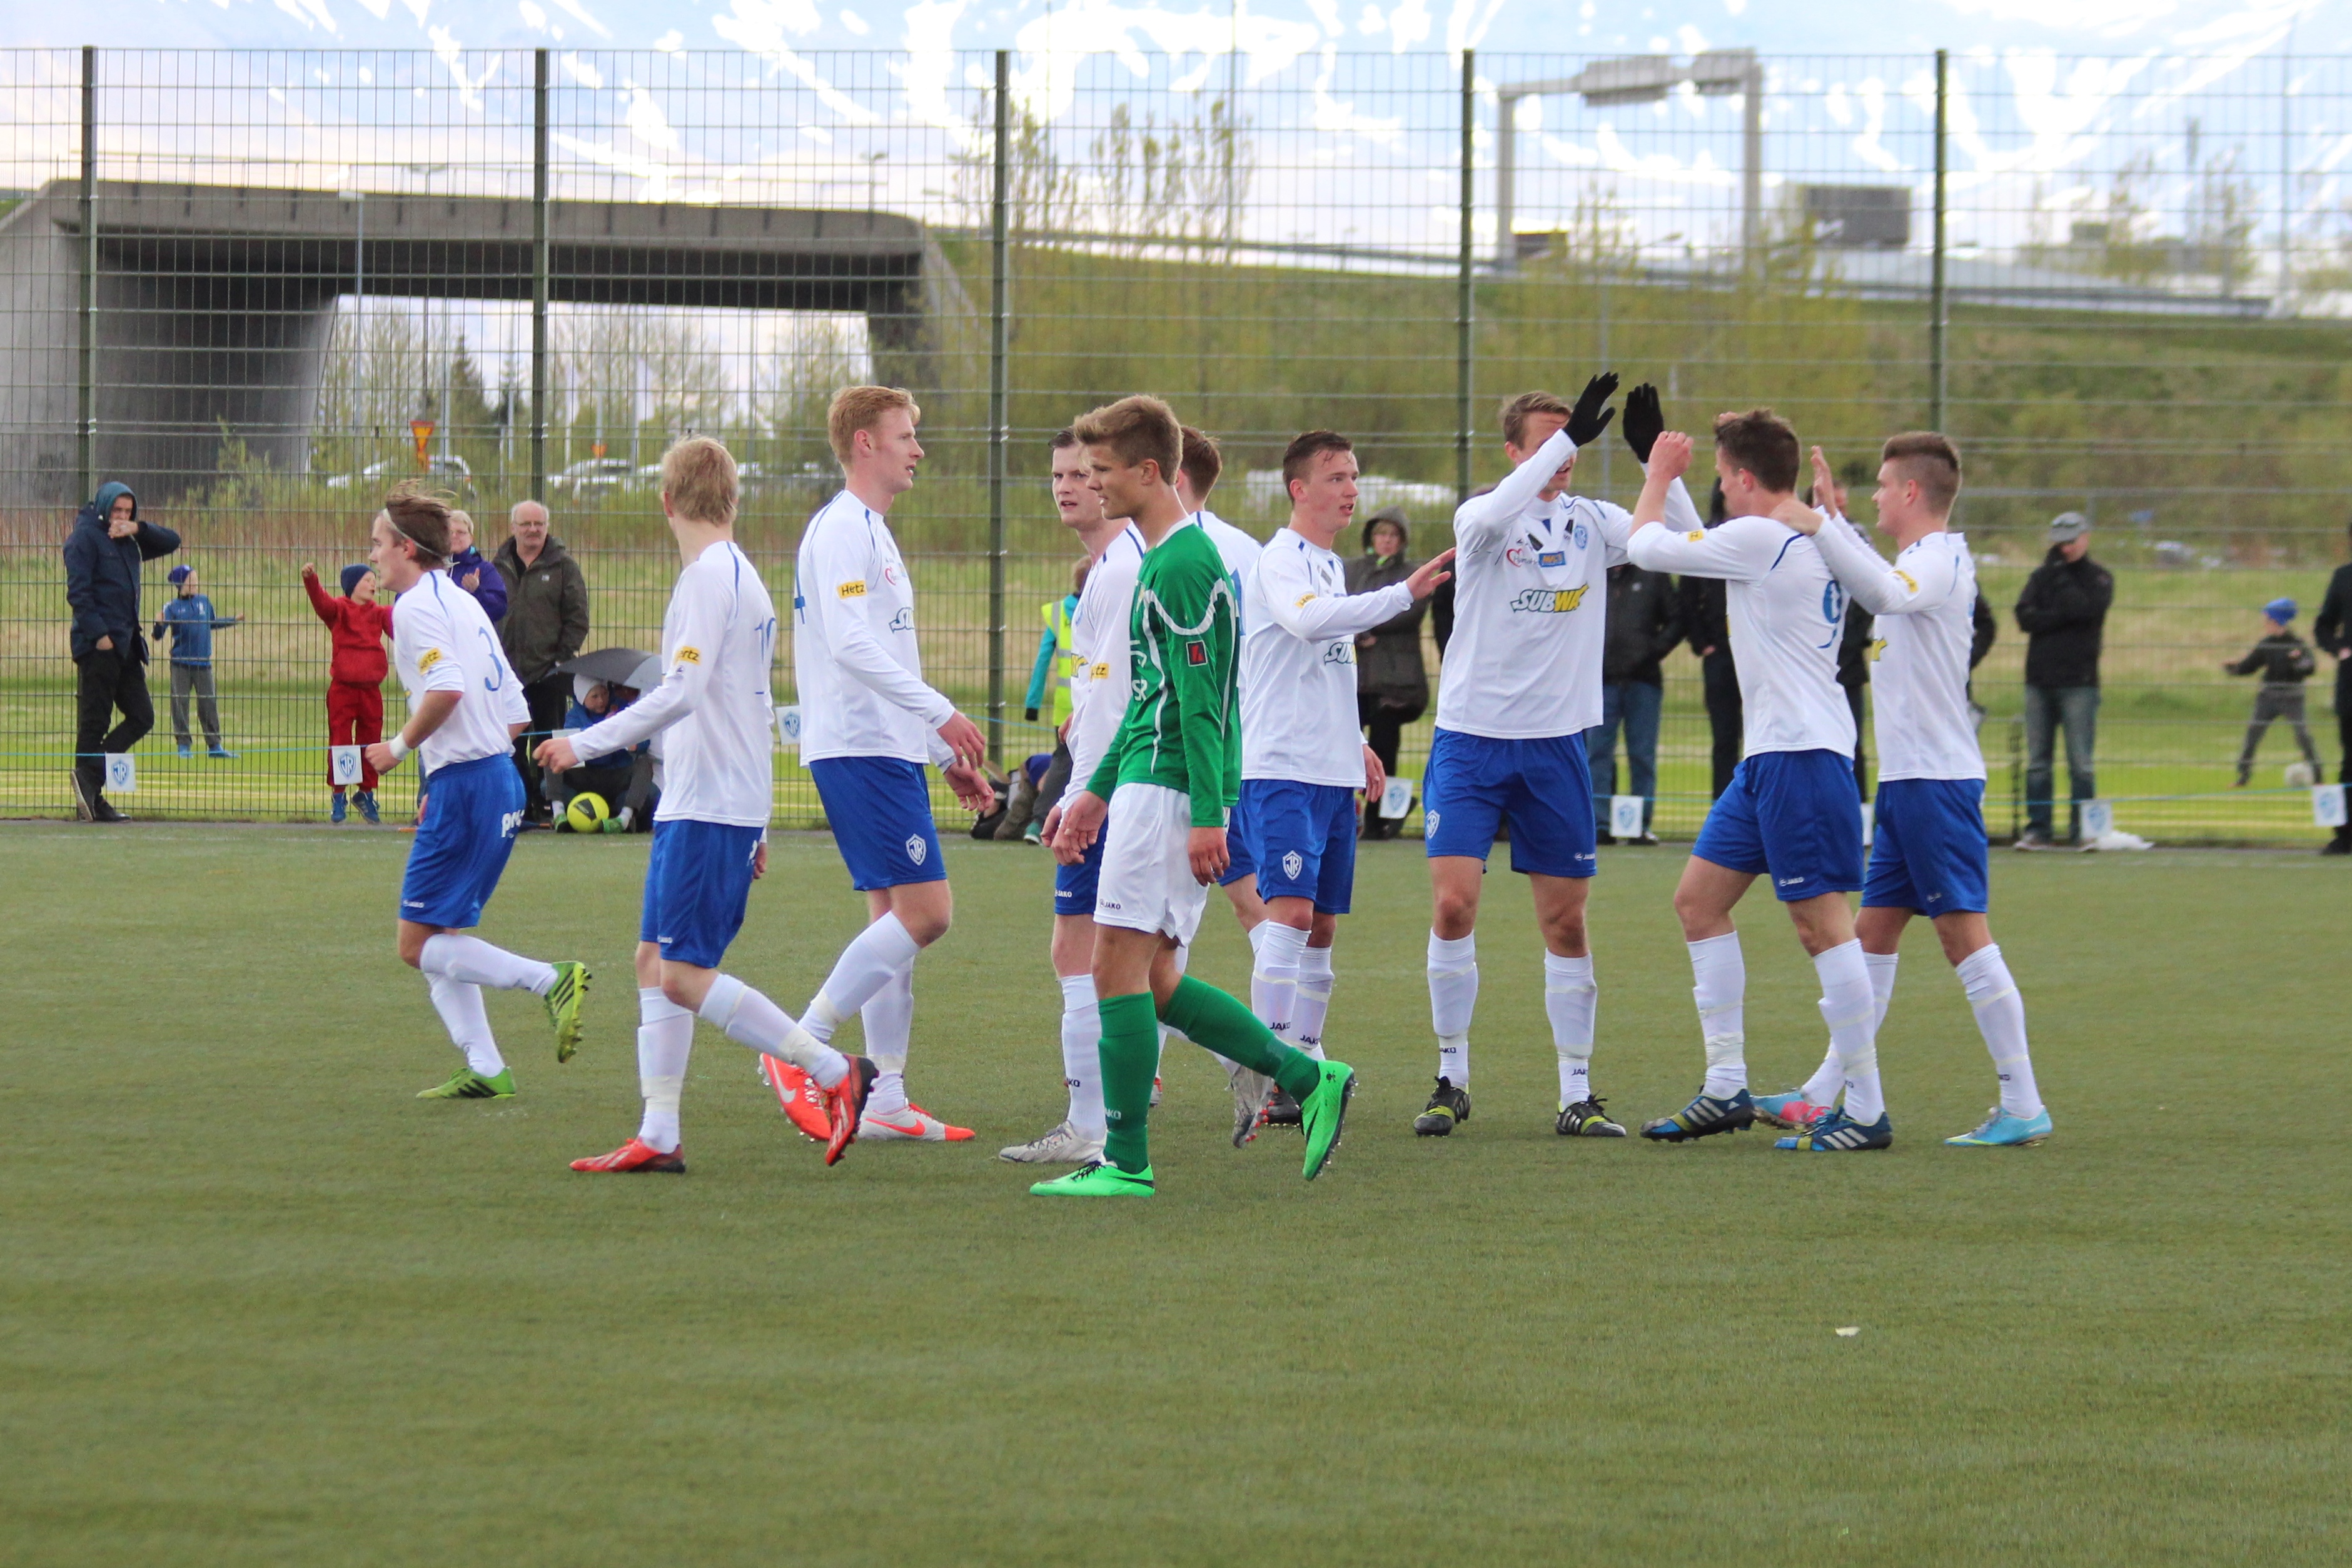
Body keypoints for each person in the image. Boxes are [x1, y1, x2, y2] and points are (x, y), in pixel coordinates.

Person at [1036, 394, 1355, 1198]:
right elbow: (1151, 699)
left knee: (1113, 968)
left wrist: (1208, 816)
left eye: (1103, 470)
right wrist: (1093, 793)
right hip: (1146, 785)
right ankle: (1306, 1078)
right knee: (1153, 982)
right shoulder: (1159, 558)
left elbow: (1205, 703)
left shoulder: (1182, 565)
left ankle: (1125, 1161)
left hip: (1167, 795)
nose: (1092, 483)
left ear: (1149, 471)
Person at [543, 437, 881, 1174]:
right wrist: (759, 820)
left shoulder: (708, 578)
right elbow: (753, 704)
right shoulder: (740, 575)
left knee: (681, 974)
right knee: (652, 960)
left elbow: (684, 691)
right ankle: (659, 1132)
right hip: (706, 801)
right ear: (732, 498)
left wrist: (584, 743)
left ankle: (832, 1070)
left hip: (708, 804)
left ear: (666, 501)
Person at [1767, 436, 2052, 1147]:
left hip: (1935, 782)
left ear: (1911, 493)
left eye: (1881, 485)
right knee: (1871, 939)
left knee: (1963, 938)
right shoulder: (1916, 559)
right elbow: (1877, 575)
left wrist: (1821, 525)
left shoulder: (1937, 560)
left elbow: (1886, 592)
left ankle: (2022, 1104)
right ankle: (1820, 1093)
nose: (1873, 495)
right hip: (1905, 783)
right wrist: (1833, 521)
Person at [1626, 406, 1890, 1152]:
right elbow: (1698, 545)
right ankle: (1724, 1086)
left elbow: (1647, 545)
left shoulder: (1764, 539)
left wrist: (1656, 476)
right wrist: (1659, 464)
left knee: (1821, 925)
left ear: (1744, 479)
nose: (1716, 490)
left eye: (1720, 477)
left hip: (1800, 756)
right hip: (1770, 757)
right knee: (1697, 903)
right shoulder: (1785, 537)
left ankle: (1865, 1109)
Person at [1414, 372, 1660, 1143]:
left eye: (1575, 438)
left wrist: (1654, 463)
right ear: (1514, 451)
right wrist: (1566, 435)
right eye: (1553, 439)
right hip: (1470, 740)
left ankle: (1576, 1092)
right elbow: (1494, 511)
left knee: (1564, 922)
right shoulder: (1482, 519)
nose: (1568, 452)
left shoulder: (1592, 522)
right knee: (1453, 906)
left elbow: (1667, 541)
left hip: (1555, 747)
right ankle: (1450, 1077)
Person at [764, 385, 994, 1147]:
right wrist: (942, 713)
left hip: (885, 747)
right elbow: (849, 644)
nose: (917, 450)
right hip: (858, 746)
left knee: (893, 921)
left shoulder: (872, 531)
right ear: (865, 444)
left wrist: (941, 752)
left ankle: (886, 1096)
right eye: (904, 437)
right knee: (929, 914)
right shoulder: (841, 528)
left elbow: (889, 649)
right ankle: (799, 1045)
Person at [1238, 430, 1453, 1140]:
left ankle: (1305, 1068)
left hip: (1330, 771)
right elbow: (1306, 623)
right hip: (1280, 768)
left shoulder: (1329, 566)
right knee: (1289, 917)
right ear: (1298, 489)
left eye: (1353, 476)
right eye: (1335, 477)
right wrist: (1400, 594)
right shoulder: (1278, 560)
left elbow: (1327, 664)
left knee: (1322, 926)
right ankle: (1272, 1074)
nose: (1350, 489)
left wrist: (1356, 741)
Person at [359, 484, 590, 1102]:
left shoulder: (414, 609)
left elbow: (447, 688)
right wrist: (452, 772)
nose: (372, 556)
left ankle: (549, 980)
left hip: (470, 785)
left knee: (415, 945)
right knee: (441, 936)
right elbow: (515, 711)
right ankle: (486, 1066)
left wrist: (398, 749)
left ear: (407, 549)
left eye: (378, 544)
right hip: (492, 779)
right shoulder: (463, 602)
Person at [1000, 430, 1147, 1166]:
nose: (1065, 486)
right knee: (1140, 960)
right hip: (1129, 779)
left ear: (1113, 481)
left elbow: (1116, 702)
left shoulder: (1118, 573)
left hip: (1117, 786)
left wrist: (1081, 795)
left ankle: (1089, 1125)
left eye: (1082, 474)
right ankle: (1278, 1067)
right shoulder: (1113, 569)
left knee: (1085, 950)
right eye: (1057, 474)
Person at [64, 480, 179, 822]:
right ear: (104, 507)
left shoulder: (129, 537)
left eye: (128, 511)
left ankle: (89, 779)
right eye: (117, 510)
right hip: (99, 645)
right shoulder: (85, 538)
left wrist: (137, 528)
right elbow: (79, 593)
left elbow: (172, 541)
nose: (122, 516)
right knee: (95, 722)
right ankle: (92, 800)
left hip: (128, 644)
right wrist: (100, 636)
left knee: (142, 716)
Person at [2014, 511, 2112, 848]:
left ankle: (2083, 829)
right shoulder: (2041, 576)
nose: (2065, 549)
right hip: (2039, 680)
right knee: (2038, 762)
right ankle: (2038, 829)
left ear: (2085, 538)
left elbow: (2085, 610)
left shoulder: (2099, 578)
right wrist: (2060, 616)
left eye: (2071, 542)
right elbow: (2025, 617)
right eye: (2060, 543)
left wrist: (2060, 583)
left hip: (2079, 682)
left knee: (2081, 762)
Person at [493, 500, 589, 825]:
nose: (533, 530)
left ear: (547, 527)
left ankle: (552, 805)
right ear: (514, 527)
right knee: (511, 743)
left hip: (550, 672)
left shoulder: (564, 566)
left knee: (551, 741)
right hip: (507, 674)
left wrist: (561, 659)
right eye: (526, 524)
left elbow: (578, 618)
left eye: (539, 524)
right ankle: (518, 804)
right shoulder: (497, 566)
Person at [1345, 506, 1431, 839]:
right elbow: (1337, 607)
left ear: (1402, 540)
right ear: (1371, 537)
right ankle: (1357, 810)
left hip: (1396, 681)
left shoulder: (1413, 573)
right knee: (1347, 743)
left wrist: (1362, 621)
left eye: (1394, 535)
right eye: (1381, 534)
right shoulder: (1352, 570)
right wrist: (1358, 632)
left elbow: (1409, 610)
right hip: (1356, 677)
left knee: (1384, 745)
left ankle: (1381, 817)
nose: (1386, 540)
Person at [1588, 557, 1682, 845]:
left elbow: (1676, 619)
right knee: (1597, 754)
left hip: (1643, 680)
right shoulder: (1592, 574)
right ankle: (1599, 824)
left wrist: (1652, 652)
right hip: (1601, 681)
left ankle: (1639, 825)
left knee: (1642, 755)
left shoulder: (1653, 574)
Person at [302, 563, 393, 824]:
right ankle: (339, 794)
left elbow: (402, 625)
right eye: (367, 580)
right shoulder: (339, 609)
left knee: (371, 740)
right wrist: (311, 580)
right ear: (353, 585)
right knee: (341, 740)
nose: (373, 584)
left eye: (374, 580)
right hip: (343, 689)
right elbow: (322, 603)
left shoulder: (380, 613)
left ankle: (366, 793)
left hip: (371, 690)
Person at [1677, 481, 1744, 800]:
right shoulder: (1704, 538)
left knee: (1764, 737)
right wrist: (1701, 642)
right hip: (1719, 654)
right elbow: (1687, 597)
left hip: (1757, 653)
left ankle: (1761, 810)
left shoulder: (1759, 537)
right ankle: (1724, 807)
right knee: (1725, 738)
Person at [2224, 598, 2322, 787]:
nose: (2265, 623)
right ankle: (2243, 778)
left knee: (2303, 736)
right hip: (2268, 697)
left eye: (2268, 619)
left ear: (2278, 621)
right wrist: (2234, 668)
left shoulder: (2297, 645)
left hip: (2293, 698)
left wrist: (2297, 661)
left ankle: (2318, 778)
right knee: (2253, 735)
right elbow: (2250, 666)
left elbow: (2309, 668)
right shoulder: (2266, 644)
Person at [153, 563, 239, 758]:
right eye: (191, 580)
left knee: (208, 703)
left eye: (196, 580)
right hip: (180, 665)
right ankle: (183, 745)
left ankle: (214, 745)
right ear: (180, 584)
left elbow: (212, 623)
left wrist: (233, 620)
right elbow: (158, 635)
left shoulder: (204, 602)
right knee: (180, 703)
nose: (195, 584)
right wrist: (158, 624)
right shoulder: (171, 607)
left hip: (203, 664)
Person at [2313, 525, 2352, 855]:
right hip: (2350, 686)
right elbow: (2323, 625)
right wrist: (2338, 648)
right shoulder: (2343, 577)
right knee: (2350, 760)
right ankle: (2345, 835)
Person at [445, 510, 508, 623]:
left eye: (461, 532)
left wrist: (477, 591)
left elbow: (499, 608)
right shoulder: (432, 567)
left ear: (471, 538)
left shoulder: (484, 569)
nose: (454, 536)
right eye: (450, 532)